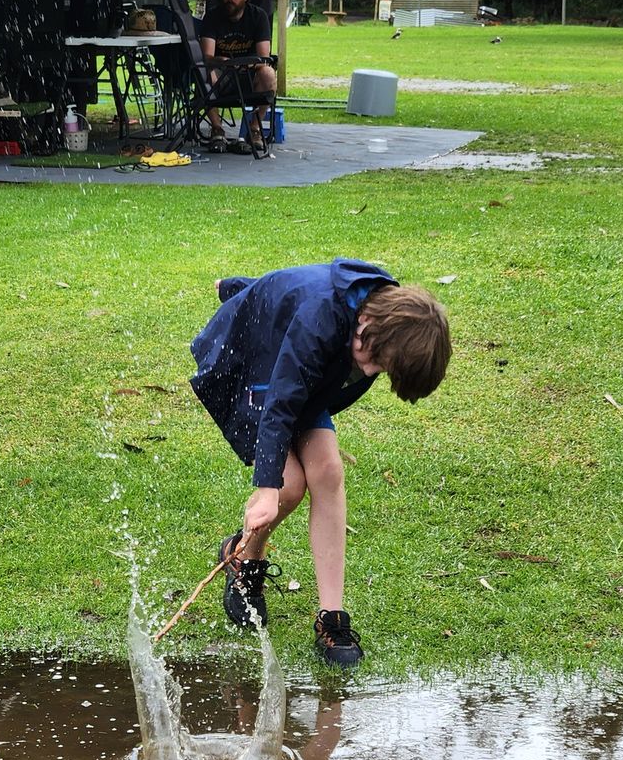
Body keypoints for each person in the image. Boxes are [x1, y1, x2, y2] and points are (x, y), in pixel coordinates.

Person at [189, 258, 451, 668]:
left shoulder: (387, 316)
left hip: (305, 380)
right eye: (372, 356)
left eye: (381, 368)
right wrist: (266, 489)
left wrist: (241, 285)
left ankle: (332, 617)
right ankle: (243, 559)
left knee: (328, 471)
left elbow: (292, 287)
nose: (368, 369)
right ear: (367, 321)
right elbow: (280, 403)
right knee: (289, 484)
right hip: (249, 368)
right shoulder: (322, 320)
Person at [199, 0, 276, 154]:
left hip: (249, 75)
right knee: (202, 72)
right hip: (221, 75)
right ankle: (217, 129)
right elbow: (207, 56)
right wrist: (221, 62)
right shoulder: (212, 17)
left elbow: (263, 57)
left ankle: (255, 129)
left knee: (268, 73)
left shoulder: (258, 16)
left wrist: (241, 64)